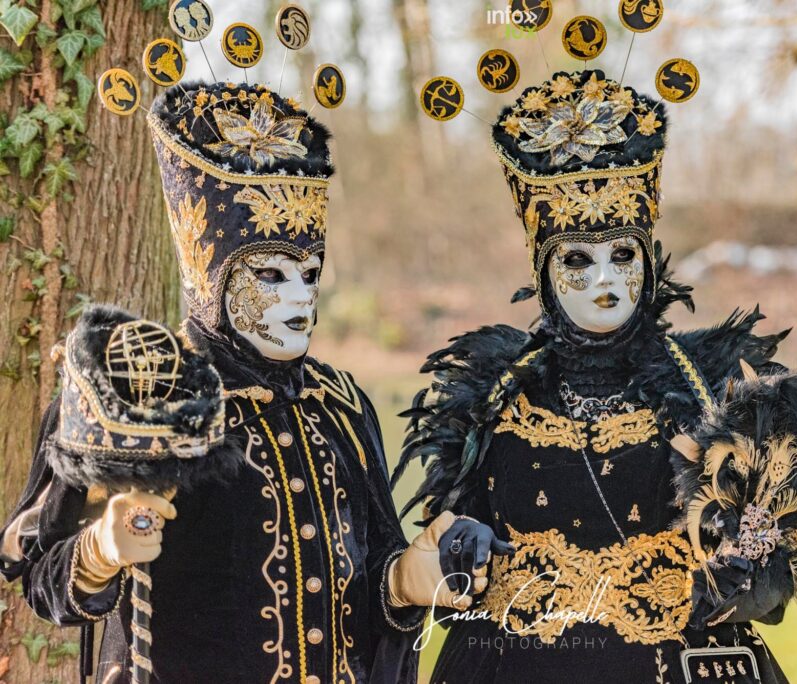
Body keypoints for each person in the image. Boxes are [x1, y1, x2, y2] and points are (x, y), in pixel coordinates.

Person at [0, 77, 466, 683]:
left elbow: (368, 575)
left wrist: (405, 582)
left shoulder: (340, 406)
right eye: (270, 275)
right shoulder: (141, 394)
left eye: (309, 272)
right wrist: (99, 553)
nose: (300, 299)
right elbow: (34, 567)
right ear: (211, 275)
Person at [395, 69, 797, 683]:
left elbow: (785, 544)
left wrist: (756, 573)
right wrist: (456, 547)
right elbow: (453, 572)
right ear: (544, 268)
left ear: (648, 256)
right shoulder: (492, 396)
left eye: (623, 255)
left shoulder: (714, 384)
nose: (606, 280)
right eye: (579, 259)